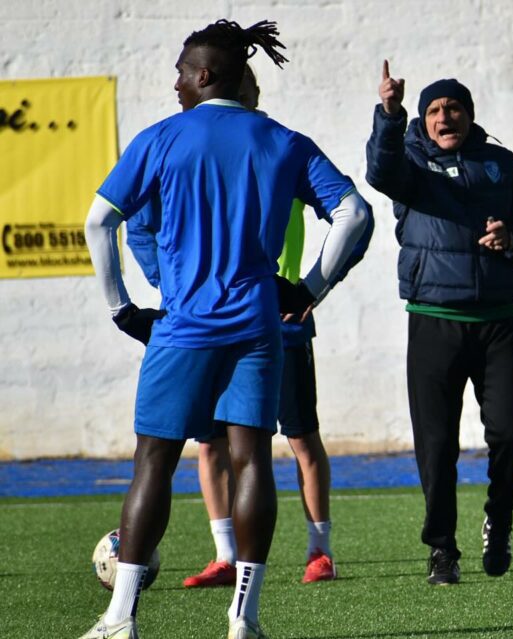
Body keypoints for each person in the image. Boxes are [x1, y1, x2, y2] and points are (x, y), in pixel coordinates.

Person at [81, 19, 369, 639]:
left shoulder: (161, 138)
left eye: (182, 70)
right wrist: (312, 287)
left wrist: (121, 308)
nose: (176, 82)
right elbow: (355, 213)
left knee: (153, 461)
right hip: (259, 329)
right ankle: (245, 619)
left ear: (205, 74)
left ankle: (121, 617)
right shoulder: (284, 141)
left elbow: (100, 220)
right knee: (251, 461)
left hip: (183, 328)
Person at [365, 61, 513, 585]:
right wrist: (389, 114)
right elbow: (380, 170)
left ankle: (499, 517)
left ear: (470, 115)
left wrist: (511, 238)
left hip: (497, 324)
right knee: (438, 445)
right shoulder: (410, 166)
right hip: (434, 322)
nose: (446, 118)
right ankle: (442, 549)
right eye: (435, 111)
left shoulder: (500, 163)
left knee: (510, 436)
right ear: (423, 122)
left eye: (454, 109)